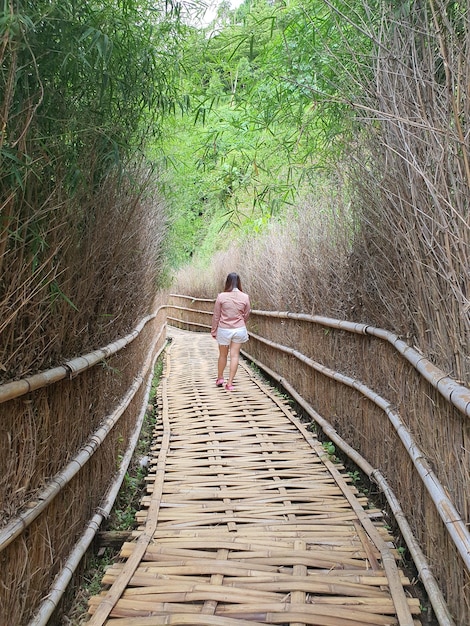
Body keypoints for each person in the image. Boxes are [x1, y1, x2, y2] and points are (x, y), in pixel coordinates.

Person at [211, 272, 251, 391]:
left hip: (224, 329)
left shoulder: (221, 296)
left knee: (223, 355)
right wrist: (240, 322)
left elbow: (216, 315)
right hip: (239, 329)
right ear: (239, 282)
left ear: (227, 282)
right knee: (234, 356)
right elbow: (247, 313)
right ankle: (230, 383)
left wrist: (214, 330)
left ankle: (220, 378)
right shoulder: (245, 297)